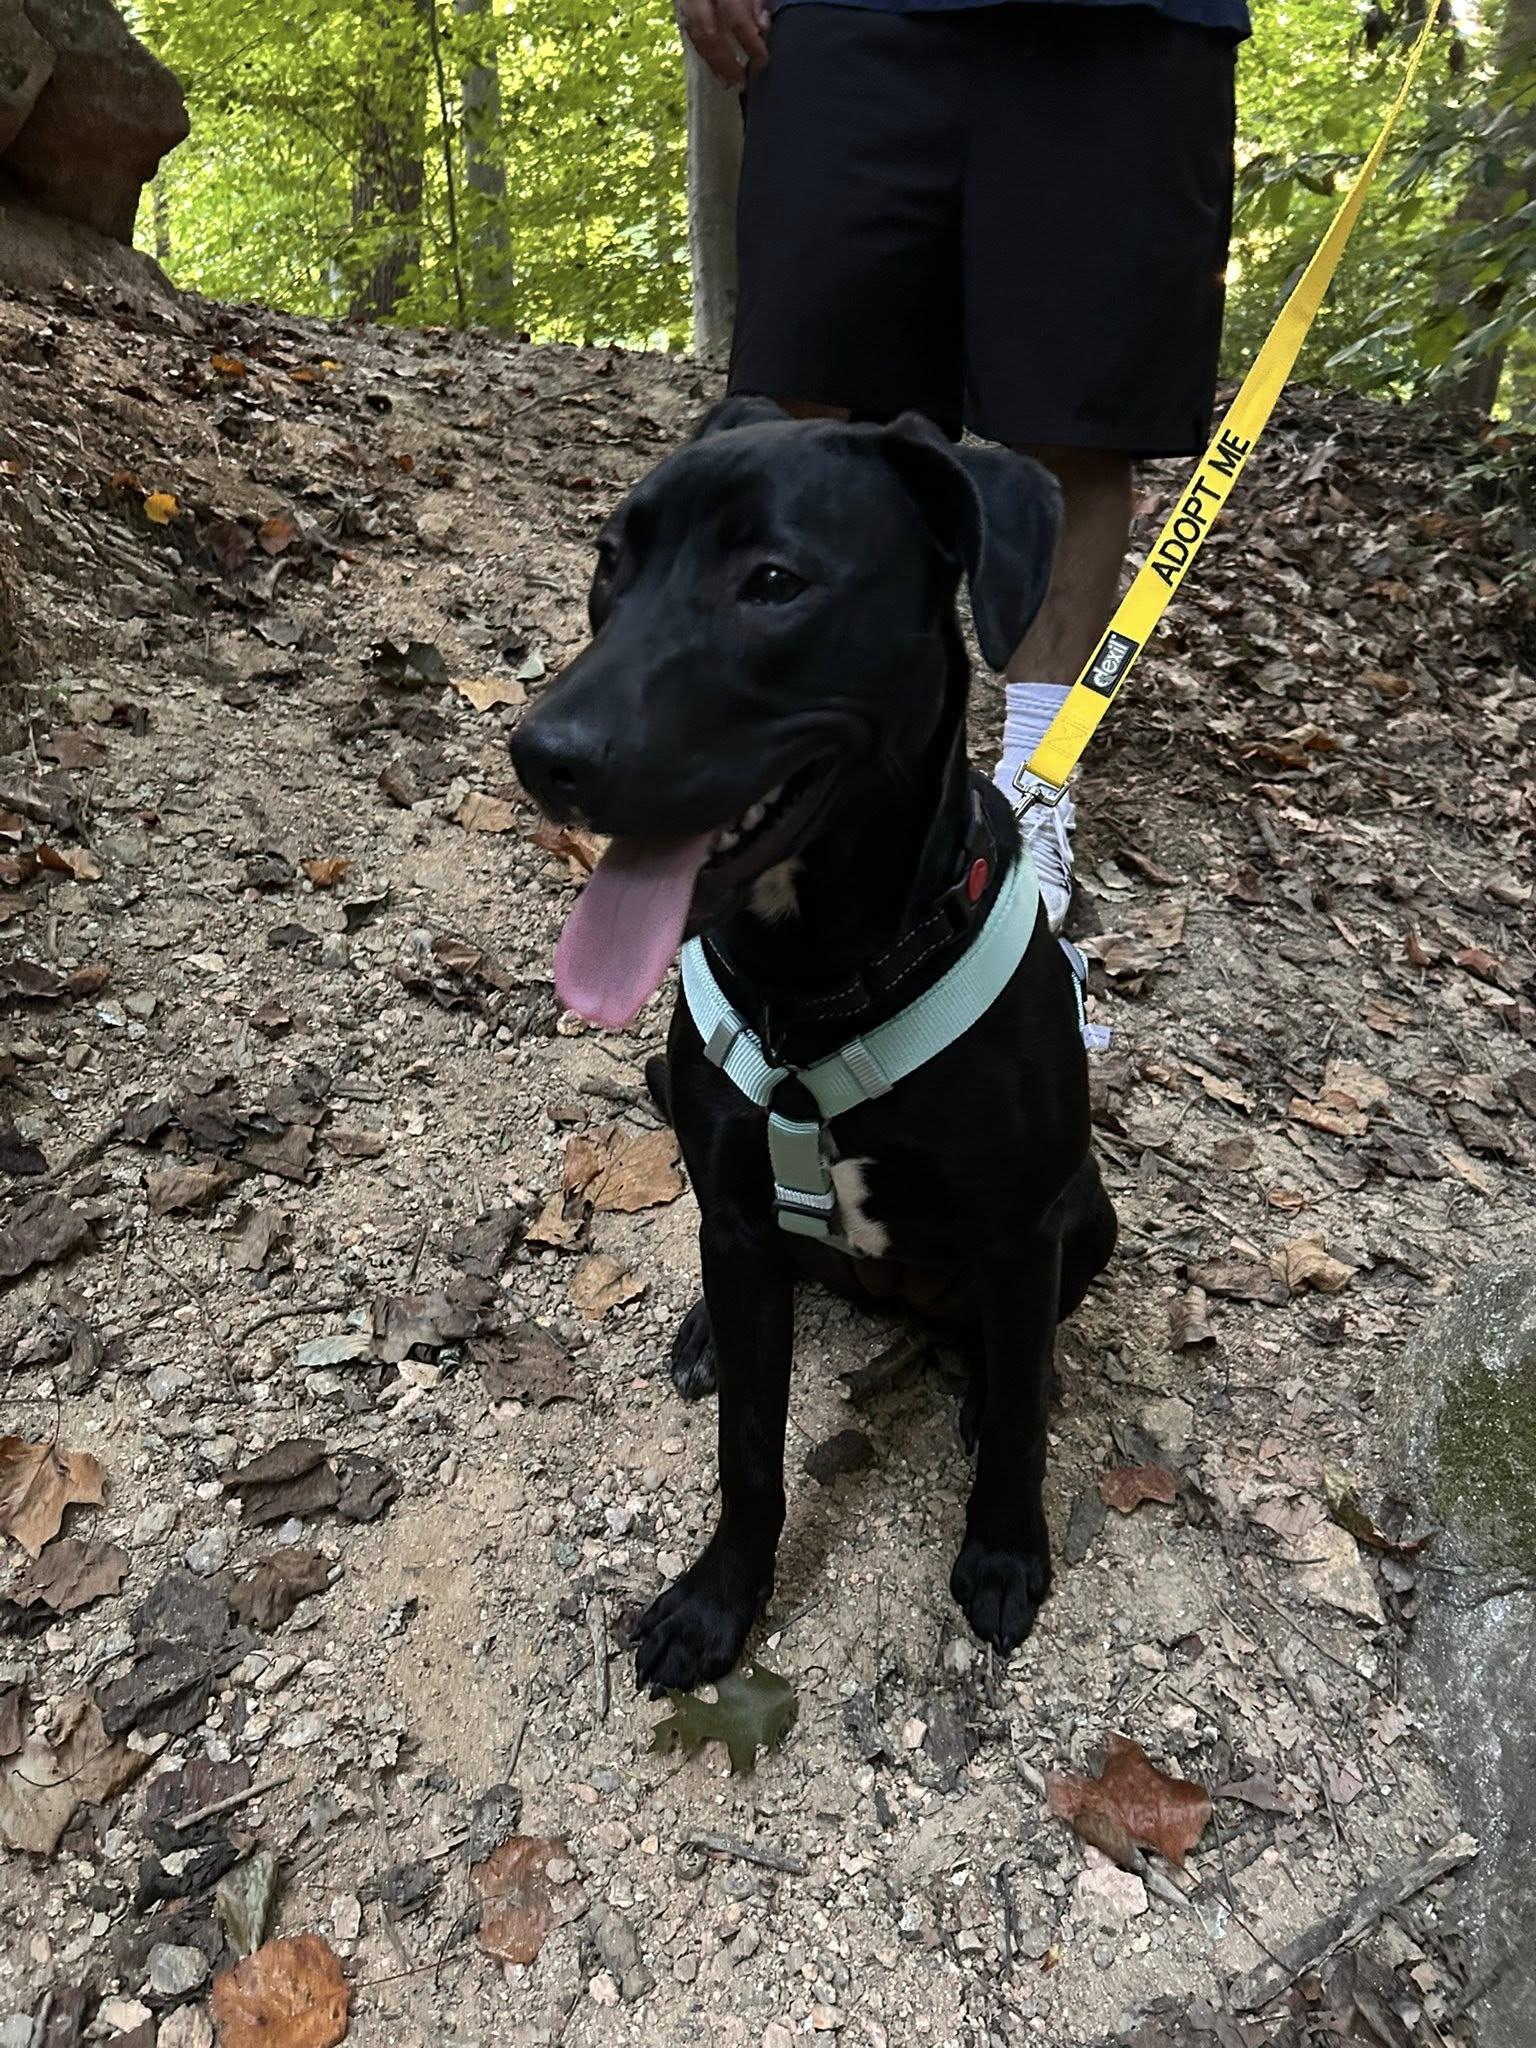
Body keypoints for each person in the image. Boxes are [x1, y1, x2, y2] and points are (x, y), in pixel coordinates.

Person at [677, 0, 1249, 930]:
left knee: (1083, 425)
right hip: (846, 18)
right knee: (799, 395)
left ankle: (1032, 788)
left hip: (1131, 32)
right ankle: (753, 753)